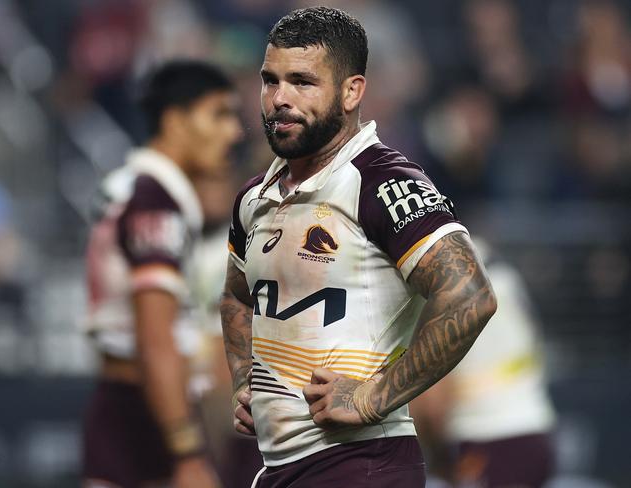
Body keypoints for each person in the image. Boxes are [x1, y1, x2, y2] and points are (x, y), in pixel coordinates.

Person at [220, 7, 497, 488]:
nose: (279, 98)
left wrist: (372, 398)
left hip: (363, 465)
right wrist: (247, 380)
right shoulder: (254, 198)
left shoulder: (382, 181)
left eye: (303, 82)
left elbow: (471, 296)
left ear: (351, 91)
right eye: (270, 81)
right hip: (279, 469)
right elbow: (236, 297)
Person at [82, 60, 242, 488]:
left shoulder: (130, 185)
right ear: (174, 121)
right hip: (149, 413)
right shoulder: (156, 201)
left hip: (128, 406)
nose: (234, 132)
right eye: (219, 114)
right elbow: (155, 338)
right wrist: (186, 450)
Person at [410, 238, 556, 488]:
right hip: (535, 430)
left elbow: (432, 402)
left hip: (486, 441)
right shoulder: (500, 270)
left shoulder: (436, 280)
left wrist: (437, 460)